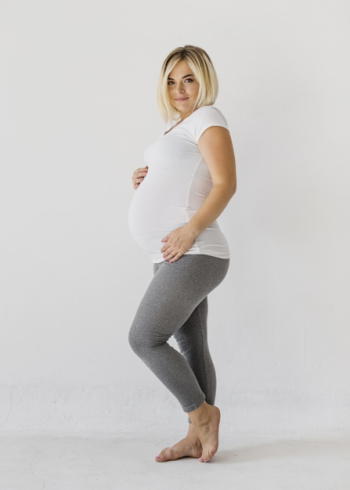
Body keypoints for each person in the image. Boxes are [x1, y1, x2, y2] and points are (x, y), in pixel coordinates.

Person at [127, 45, 237, 463]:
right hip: (172, 254)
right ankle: (197, 435)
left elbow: (226, 182)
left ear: (203, 80)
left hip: (197, 251)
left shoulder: (209, 118)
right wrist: (144, 180)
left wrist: (191, 231)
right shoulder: (177, 128)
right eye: (171, 80)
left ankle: (202, 415)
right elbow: (186, 178)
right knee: (190, 342)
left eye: (188, 78)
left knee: (144, 338)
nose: (179, 88)